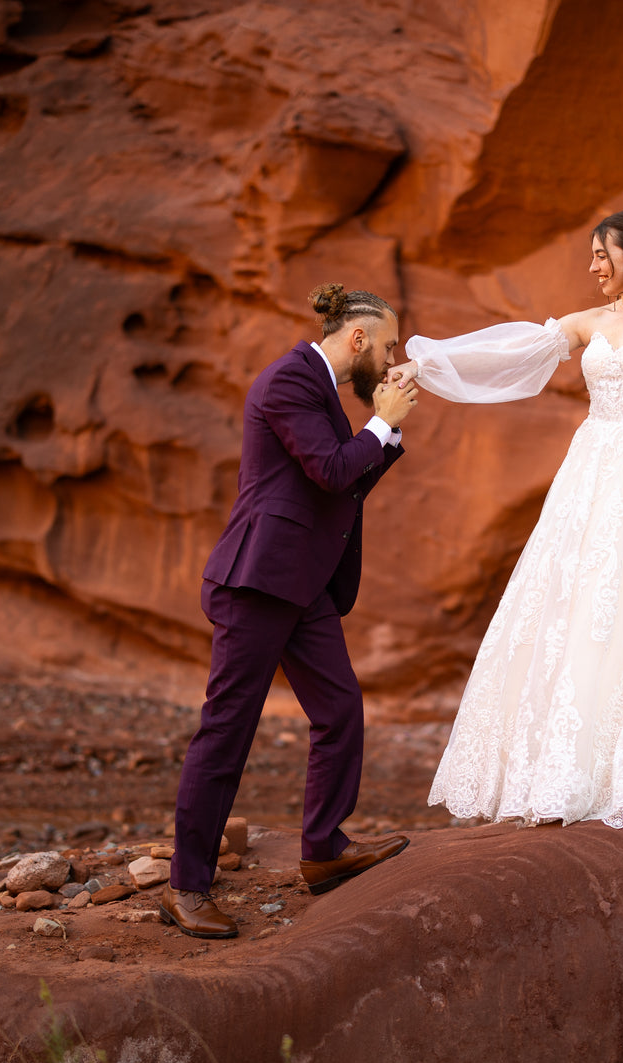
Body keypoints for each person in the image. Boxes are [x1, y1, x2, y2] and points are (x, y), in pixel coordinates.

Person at [403, 210, 623, 830]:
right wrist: (426, 367)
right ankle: (569, 773)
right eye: (592, 254)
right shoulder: (589, 322)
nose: (593, 266)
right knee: (578, 611)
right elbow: (509, 349)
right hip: (591, 478)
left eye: (603, 254)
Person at [160, 284, 419, 939]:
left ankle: (323, 851)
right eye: (385, 344)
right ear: (357, 339)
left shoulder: (320, 389)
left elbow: (344, 482)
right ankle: (185, 887)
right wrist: (381, 422)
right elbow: (333, 471)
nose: (389, 358)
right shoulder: (288, 382)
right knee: (227, 733)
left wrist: (386, 432)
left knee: (339, 712)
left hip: (302, 587)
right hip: (258, 583)